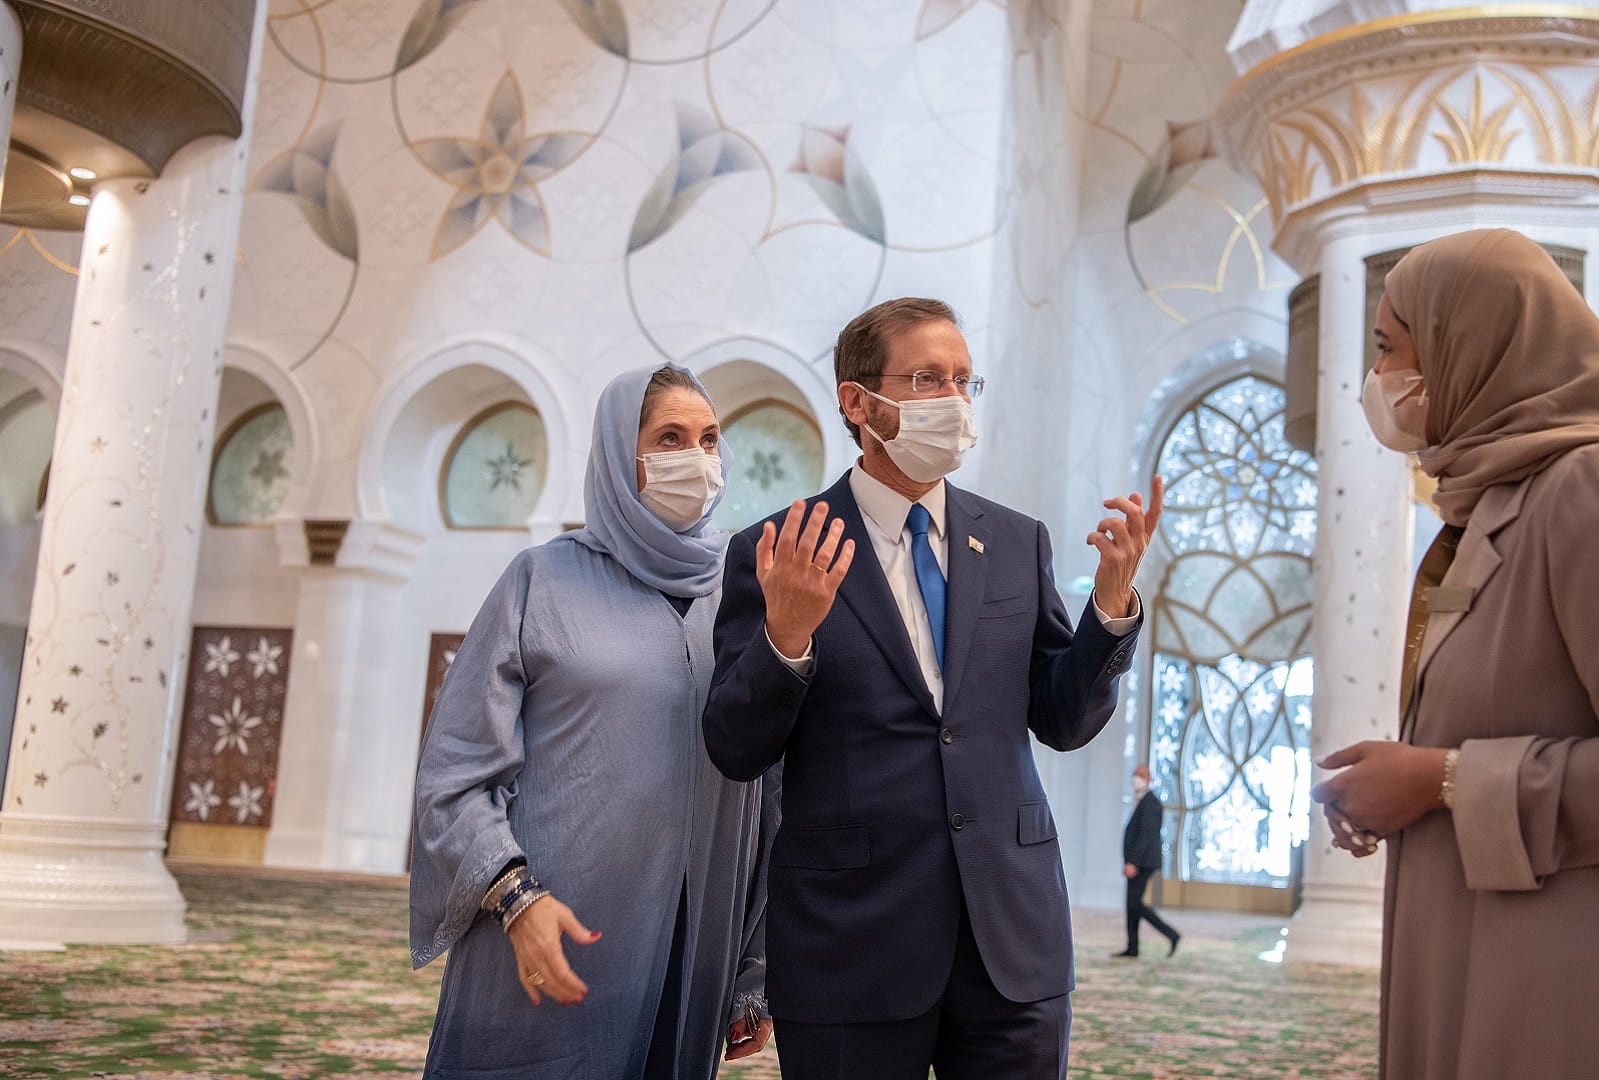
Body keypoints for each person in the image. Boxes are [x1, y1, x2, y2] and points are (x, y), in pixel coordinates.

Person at [1309, 228, 1599, 1080]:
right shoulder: (1498, 501)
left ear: (1468, 345)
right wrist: (1403, 787)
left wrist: (1439, 780)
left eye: (1390, 348)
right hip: (1497, 956)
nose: (1377, 380)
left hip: (1579, 990)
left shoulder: (1596, 486)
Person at [702, 297, 1162, 1080]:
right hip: (853, 943)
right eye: (926, 379)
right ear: (858, 401)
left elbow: (1061, 717)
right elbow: (735, 747)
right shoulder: (780, 548)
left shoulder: (1016, 540)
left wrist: (1111, 609)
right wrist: (786, 637)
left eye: (963, 381)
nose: (953, 401)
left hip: (1010, 940)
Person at [410, 365, 776, 1079]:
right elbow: (455, 773)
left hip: (693, 950)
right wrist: (516, 899)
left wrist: (754, 968)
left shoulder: (745, 592)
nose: (696, 460)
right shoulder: (540, 580)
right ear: (618, 454)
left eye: (708, 440)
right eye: (669, 437)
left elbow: (773, 790)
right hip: (547, 933)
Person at [1114, 764, 1179, 958]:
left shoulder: (1151, 803)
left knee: (1134, 903)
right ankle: (1132, 947)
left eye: (1140, 775)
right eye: (1134, 774)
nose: (1136, 778)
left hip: (1143, 863)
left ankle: (1171, 934)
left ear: (1149, 778)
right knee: (1131, 904)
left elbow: (1146, 836)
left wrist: (1133, 862)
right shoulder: (1141, 801)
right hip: (1138, 862)